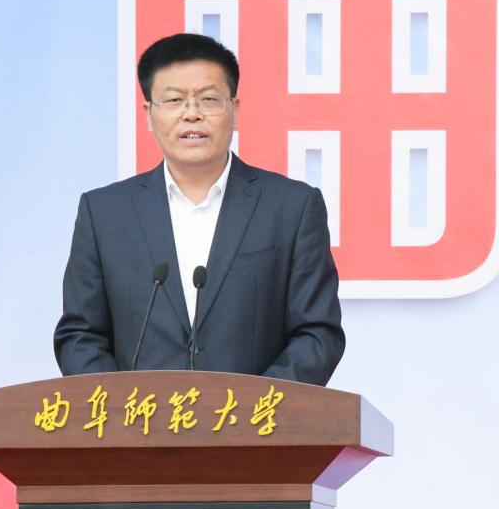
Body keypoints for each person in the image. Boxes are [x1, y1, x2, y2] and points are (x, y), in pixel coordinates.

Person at [53, 33, 344, 385]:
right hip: (136, 417)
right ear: (149, 114)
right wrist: (121, 406)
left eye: (208, 99)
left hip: (255, 418)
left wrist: (253, 407)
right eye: (174, 100)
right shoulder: (104, 214)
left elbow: (317, 334)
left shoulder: (292, 208)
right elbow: (80, 335)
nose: (192, 114)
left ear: (235, 110)